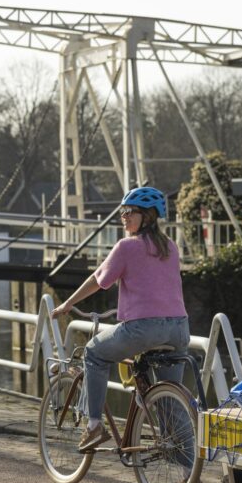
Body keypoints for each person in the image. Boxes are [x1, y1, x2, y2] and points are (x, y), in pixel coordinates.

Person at [51, 186, 190, 452]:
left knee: (94, 353)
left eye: (129, 211)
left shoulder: (127, 247)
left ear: (147, 216)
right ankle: (187, 467)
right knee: (171, 400)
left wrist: (69, 303)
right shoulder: (170, 247)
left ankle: (94, 426)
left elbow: (98, 280)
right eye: (122, 212)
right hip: (179, 329)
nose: (123, 216)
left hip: (143, 329)